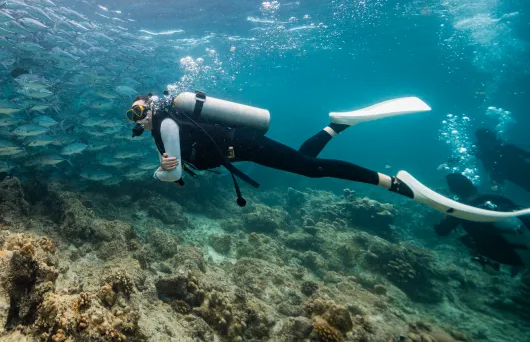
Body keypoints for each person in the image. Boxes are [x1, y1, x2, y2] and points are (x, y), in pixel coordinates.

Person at [126, 92, 530, 222]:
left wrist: (158, 175)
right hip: (242, 145)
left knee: (312, 170)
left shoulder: (165, 124)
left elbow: (173, 172)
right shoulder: (163, 127)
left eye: (138, 110)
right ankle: (337, 126)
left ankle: (393, 183)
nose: (137, 118)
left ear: (152, 108)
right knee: (305, 163)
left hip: (244, 145)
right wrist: (168, 170)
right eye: (134, 115)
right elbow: (179, 170)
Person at [434, 173, 530, 272]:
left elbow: (441, 231)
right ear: (472, 185)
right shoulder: (494, 198)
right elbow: (522, 214)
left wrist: (446, 216)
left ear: (453, 191)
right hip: (522, 246)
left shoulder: (459, 210)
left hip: (505, 256)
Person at [474, 129, 530, 194]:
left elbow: (491, 171)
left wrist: (497, 183)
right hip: (519, 172)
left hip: (514, 176)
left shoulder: (485, 154)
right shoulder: (506, 146)